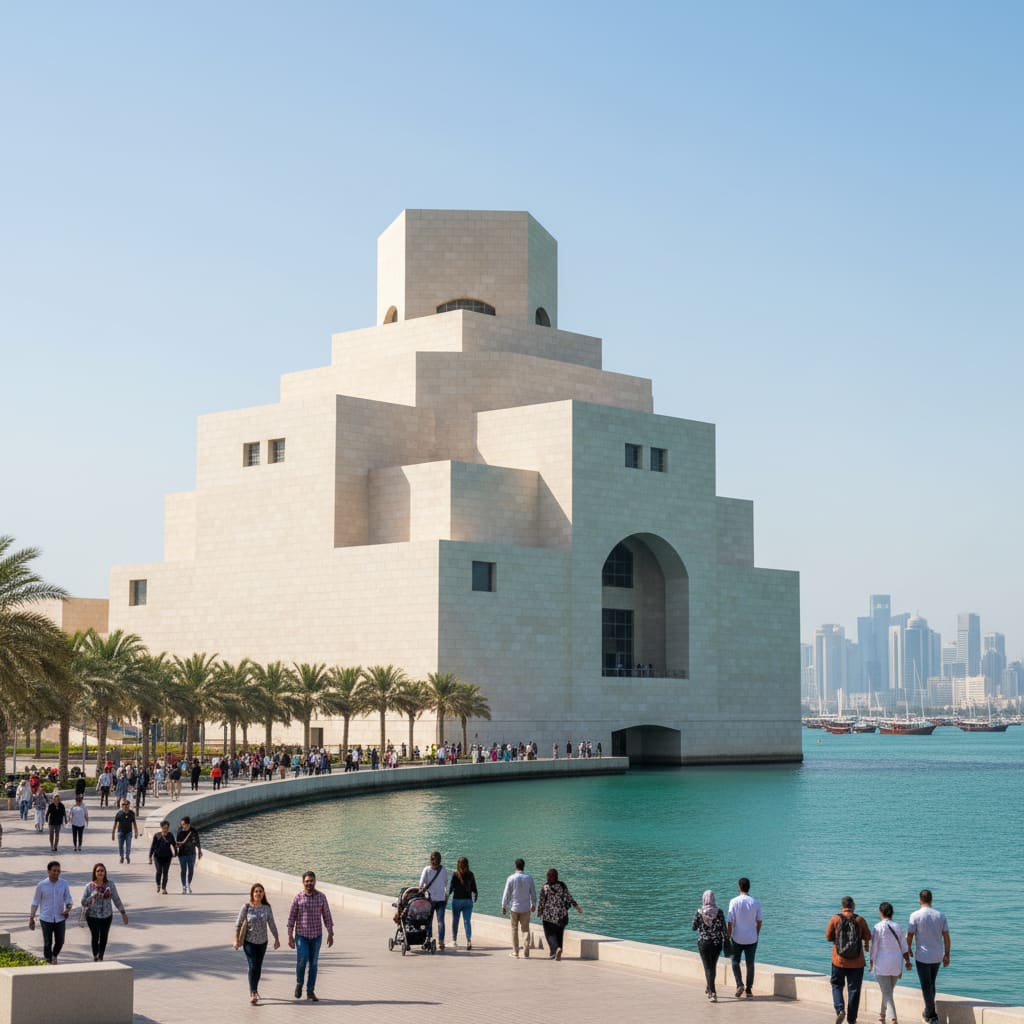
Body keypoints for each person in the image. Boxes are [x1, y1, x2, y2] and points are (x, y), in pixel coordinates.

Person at [286, 870, 334, 1002]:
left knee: (313, 963)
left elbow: (327, 916)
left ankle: (310, 991)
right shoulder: (298, 898)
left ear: (315, 881)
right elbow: (291, 918)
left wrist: (330, 933)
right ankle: (299, 983)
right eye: (307, 881)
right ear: (303, 883)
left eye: (311, 881)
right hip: (301, 935)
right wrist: (290, 935)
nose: (309, 883)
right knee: (303, 959)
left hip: (316, 936)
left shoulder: (321, 897)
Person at [906, 889, 951, 1024]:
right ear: (931, 900)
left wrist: (908, 949)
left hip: (922, 956)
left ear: (920, 900)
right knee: (931, 984)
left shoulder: (915, 915)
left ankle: (931, 1015)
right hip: (937, 955)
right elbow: (947, 937)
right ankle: (929, 1012)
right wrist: (947, 954)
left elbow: (909, 935)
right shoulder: (941, 915)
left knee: (926, 985)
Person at [826, 895, 872, 1024]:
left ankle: (840, 1010)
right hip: (857, 962)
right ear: (853, 907)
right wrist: (865, 942)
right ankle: (852, 1020)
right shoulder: (859, 920)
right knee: (854, 990)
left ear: (842, 906)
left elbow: (828, 936)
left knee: (836, 985)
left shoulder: (835, 919)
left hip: (838, 961)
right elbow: (868, 935)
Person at [234, 882, 280, 1005]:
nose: (258, 893)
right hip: (249, 942)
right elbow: (238, 923)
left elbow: (271, 923)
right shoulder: (246, 907)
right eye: (256, 891)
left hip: (263, 942)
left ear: (263, 893)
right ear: (252, 893)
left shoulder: (266, 908)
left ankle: (255, 989)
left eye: (260, 891)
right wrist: (236, 939)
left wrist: (277, 938)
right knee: (253, 965)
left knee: (258, 967)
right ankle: (253, 992)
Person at [870, 901, 911, 1024]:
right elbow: (904, 946)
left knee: (887, 992)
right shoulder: (898, 926)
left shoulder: (877, 927)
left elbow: (874, 947)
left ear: (880, 913)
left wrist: (871, 961)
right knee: (888, 992)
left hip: (882, 963)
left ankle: (893, 1018)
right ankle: (882, 1016)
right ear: (892, 913)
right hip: (896, 963)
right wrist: (907, 961)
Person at [28, 860, 73, 964]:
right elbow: (35, 902)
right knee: (48, 943)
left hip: (60, 918)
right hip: (46, 918)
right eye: (54, 870)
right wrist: (31, 918)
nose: (56, 873)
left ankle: (54, 955)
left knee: (60, 941)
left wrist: (68, 908)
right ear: (48, 871)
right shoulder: (41, 885)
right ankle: (48, 961)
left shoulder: (64, 883)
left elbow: (68, 899)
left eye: (58, 871)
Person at [81, 862, 128, 961]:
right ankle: (95, 955)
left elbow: (116, 899)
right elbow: (83, 902)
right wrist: (92, 896)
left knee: (104, 936)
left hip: (107, 916)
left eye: (102, 871)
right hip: (92, 916)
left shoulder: (110, 885)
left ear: (105, 872)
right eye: (98, 871)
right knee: (95, 936)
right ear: (94, 873)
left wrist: (123, 913)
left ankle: (101, 956)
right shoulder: (89, 886)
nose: (100, 873)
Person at [727, 877, 763, 998]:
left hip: (737, 937)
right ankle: (748, 989)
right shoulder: (756, 902)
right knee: (750, 963)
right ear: (749, 887)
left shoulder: (733, 901)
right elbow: (759, 921)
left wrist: (728, 936)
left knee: (735, 961)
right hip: (752, 938)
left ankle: (739, 984)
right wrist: (756, 933)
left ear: (739, 887)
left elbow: (730, 921)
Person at [537, 867, 582, 961]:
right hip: (561, 915)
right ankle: (558, 951)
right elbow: (568, 897)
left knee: (549, 934)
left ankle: (555, 950)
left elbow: (542, 901)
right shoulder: (562, 885)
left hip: (549, 915)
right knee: (559, 933)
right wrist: (577, 906)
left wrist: (539, 911)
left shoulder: (545, 887)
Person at [692, 889, 727, 1001]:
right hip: (716, 944)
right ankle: (709, 987)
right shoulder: (719, 912)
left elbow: (693, 927)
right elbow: (724, 930)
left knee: (707, 967)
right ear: (713, 899)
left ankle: (712, 992)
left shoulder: (699, 912)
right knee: (712, 967)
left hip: (703, 943)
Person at [500, 857, 537, 958]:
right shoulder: (529, 878)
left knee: (514, 929)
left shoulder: (511, 878)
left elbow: (506, 893)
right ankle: (526, 952)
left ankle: (515, 952)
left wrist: (504, 906)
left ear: (515, 866)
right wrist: (533, 904)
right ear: (523, 866)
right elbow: (533, 892)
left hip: (514, 908)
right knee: (525, 929)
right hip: (525, 908)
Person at [418, 850, 449, 950]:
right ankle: (441, 942)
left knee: (429, 921)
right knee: (441, 921)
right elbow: (446, 883)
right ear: (440, 860)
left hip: (429, 900)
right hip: (441, 899)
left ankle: (428, 938)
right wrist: (446, 894)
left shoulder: (426, 870)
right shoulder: (443, 870)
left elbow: (421, 884)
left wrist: (421, 891)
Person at [448, 856, 478, 950]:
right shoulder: (470, 874)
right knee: (467, 921)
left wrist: (446, 897)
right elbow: (474, 888)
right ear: (467, 865)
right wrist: (476, 895)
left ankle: (454, 940)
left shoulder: (455, 874)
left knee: (455, 921)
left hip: (456, 901)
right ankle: (468, 940)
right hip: (468, 901)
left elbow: (451, 888)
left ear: (458, 865)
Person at [148, 819, 177, 894]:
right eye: (164, 828)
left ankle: (164, 888)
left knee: (165, 872)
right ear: (161, 827)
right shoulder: (157, 835)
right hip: (157, 857)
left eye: (167, 828)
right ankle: (158, 884)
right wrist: (150, 857)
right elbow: (153, 847)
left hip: (167, 857)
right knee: (159, 871)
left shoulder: (170, 835)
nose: (166, 829)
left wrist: (175, 853)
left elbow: (174, 845)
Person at [176, 816, 203, 893]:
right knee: (183, 870)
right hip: (182, 854)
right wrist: (178, 845)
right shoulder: (180, 830)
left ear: (188, 824)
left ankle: (188, 884)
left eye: (184, 824)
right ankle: (183, 886)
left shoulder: (193, 831)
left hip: (192, 854)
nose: (182, 826)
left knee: (191, 870)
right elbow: (177, 842)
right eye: (181, 824)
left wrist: (199, 851)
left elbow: (197, 841)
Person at [111, 799, 140, 863]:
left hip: (129, 832)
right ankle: (121, 857)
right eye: (123, 804)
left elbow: (134, 823)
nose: (125, 806)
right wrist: (113, 834)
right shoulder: (119, 813)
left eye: (126, 804)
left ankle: (127, 856)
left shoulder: (131, 813)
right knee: (120, 846)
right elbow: (115, 824)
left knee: (128, 846)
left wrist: (136, 832)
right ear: (121, 806)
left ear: (129, 805)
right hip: (120, 832)